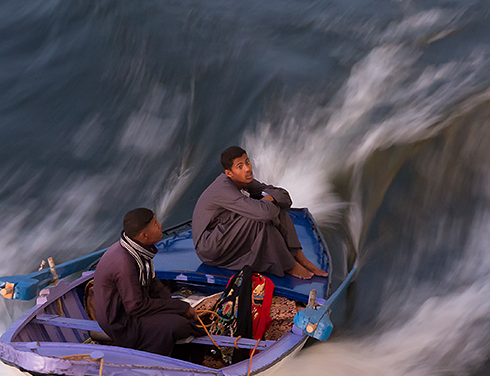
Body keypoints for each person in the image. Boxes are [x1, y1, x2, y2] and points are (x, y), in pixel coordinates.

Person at [192, 146, 328, 279]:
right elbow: (265, 213)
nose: (247, 168)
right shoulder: (224, 189)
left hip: (226, 230)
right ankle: (289, 265)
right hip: (210, 247)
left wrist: (270, 199)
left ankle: (300, 258)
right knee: (260, 216)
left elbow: (283, 196)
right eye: (240, 166)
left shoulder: (243, 180)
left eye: (247, 162)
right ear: (229, 173)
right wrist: (268, 200)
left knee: (272, 208)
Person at [93, 208, 203, 356]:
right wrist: (180, 307)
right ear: (144, 235)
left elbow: (153, 284)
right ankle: (153, 358)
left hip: (132, 309)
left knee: (181, 316)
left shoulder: (136, 249)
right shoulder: (125, 263)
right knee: (179, 325)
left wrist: (176, 306)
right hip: (121, 322)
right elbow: (135, 307)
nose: (160, 224)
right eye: (155, 224)